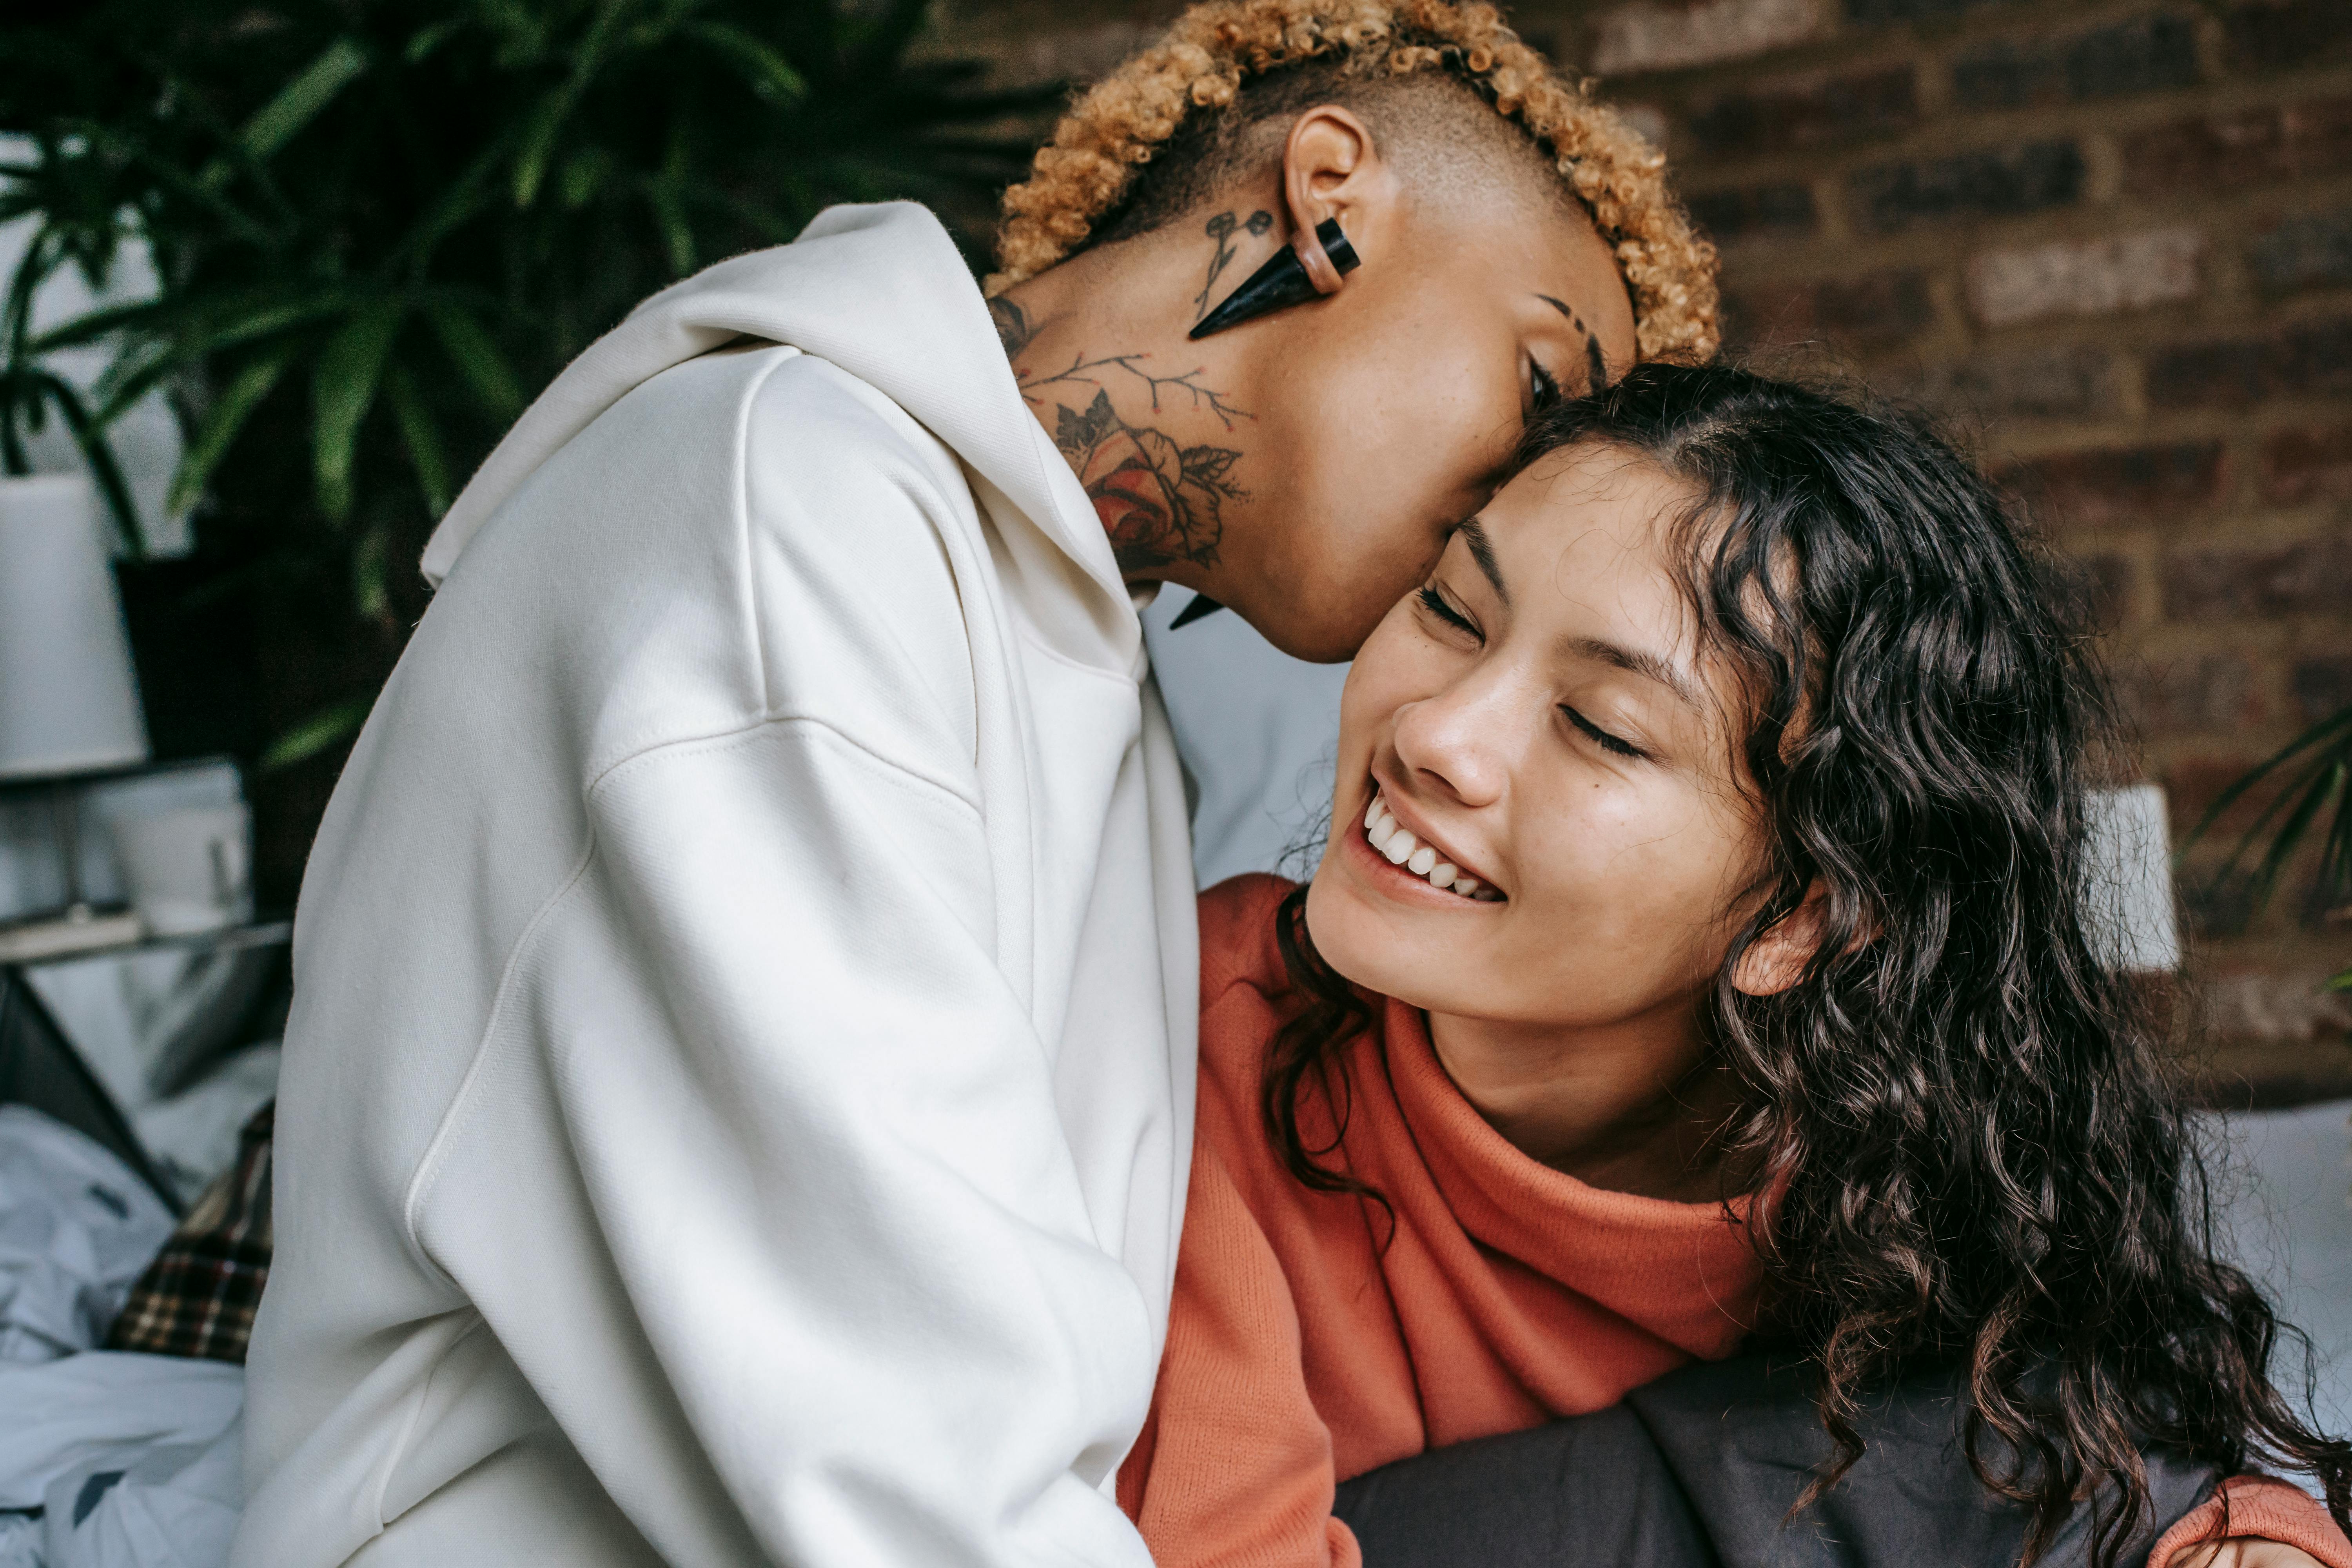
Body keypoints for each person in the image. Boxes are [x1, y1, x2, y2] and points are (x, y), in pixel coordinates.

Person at [231, 4, 1713, 1564]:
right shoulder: (782, 508)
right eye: (1545, 395)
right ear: (1330, 197)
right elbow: (911, 1473)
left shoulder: (1057, 637)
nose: (1527, 498)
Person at [1118, 363, 2352, 1568]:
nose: (1434, 735)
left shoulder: (1894, 1189)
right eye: (1449, 609)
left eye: (1601, 726)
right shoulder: (1186, 1041)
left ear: (1797, 921)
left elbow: (2120, 1457)